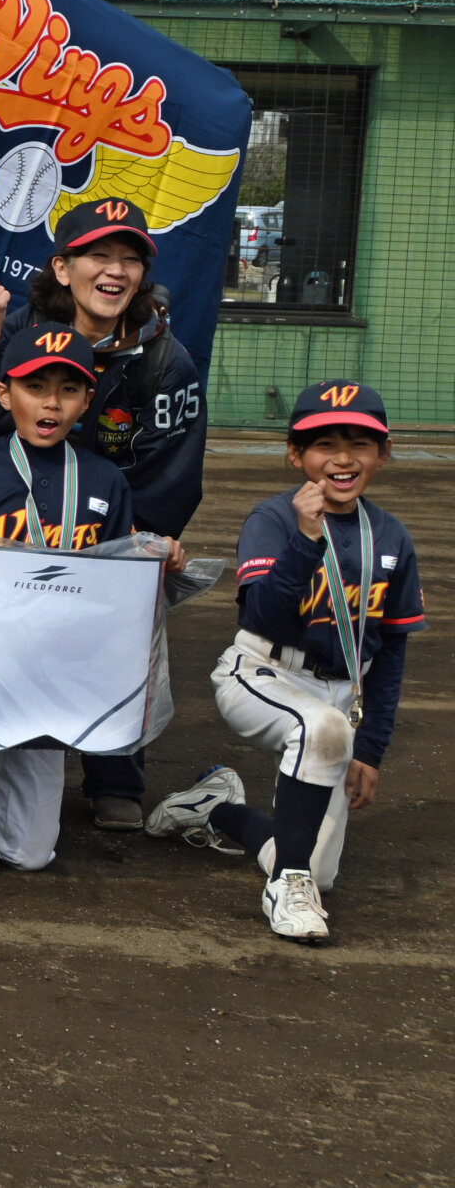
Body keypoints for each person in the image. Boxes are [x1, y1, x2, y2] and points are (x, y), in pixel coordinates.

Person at [0, 199, 206, 832]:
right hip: (15, 522)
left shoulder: (165, 359)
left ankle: (115, 772)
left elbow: (174, 470)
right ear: (64, 268)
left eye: (130, 259)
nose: (114, 272)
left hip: (106, 518)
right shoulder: (22, 326)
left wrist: (125, 553)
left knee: (122, 625)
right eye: (98, 256)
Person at [145, 381, 424, 945]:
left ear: (384, 452)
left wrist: (369, 750)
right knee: (318, 729)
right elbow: (266, 616)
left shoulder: (390, 536)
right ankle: (285, 886)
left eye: (359, 443)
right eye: (323, 443)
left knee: (323, 869)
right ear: (296, 455)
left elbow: (390, 651)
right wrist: (306, 538)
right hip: (260, 672)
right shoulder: (273, 518)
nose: (342, 458)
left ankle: (220, 809)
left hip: (342, 691)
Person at [0, 324, 162, 899]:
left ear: (88, 401)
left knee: (29, 853)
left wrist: (160, 558)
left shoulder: (104, 479)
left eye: (69, 389)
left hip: (53, 668)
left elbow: (119, 581)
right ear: (3, 394)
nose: (51, 402)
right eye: (35, 387)